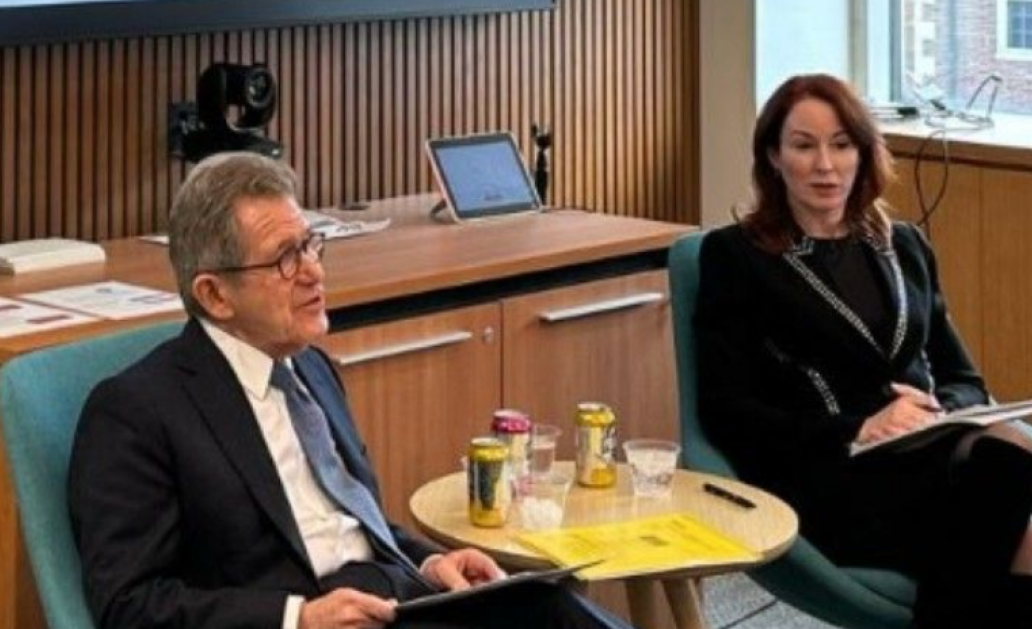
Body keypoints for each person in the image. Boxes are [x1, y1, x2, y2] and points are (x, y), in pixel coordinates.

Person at [69, 152, 633, 629]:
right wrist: (297, 618)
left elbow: (357, 521)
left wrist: (431, 563)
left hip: (395, 596)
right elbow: (128, 605)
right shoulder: (136, 412)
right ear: (215, 295)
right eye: (287, 259)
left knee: (551, 603)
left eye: (312, 246)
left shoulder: (310, 368)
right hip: (313, 617)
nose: (315, 272)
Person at [694, 74, 1032, 628]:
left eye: (842, 144)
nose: (826, 165)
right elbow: (726, 409)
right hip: (823, 468)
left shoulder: (903, 245)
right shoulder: (736, 257)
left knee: (1009, 448)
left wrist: (934, 412)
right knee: (1026, 536)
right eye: (804, 146)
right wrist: (862, 427)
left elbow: (963, 375)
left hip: (926, 457)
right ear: (774, 158)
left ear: (864, 153)